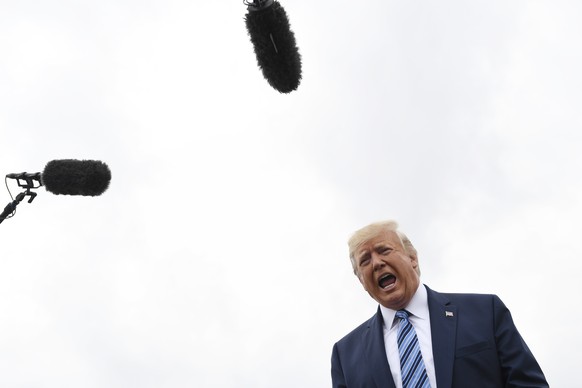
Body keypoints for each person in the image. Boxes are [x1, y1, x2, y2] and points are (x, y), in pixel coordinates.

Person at [331, 220, 548, 388]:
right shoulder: (345, 354)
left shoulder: (485, 312)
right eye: (365, 261)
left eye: (384, 250)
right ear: (361, 281)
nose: (377, 263)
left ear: (412, 258)